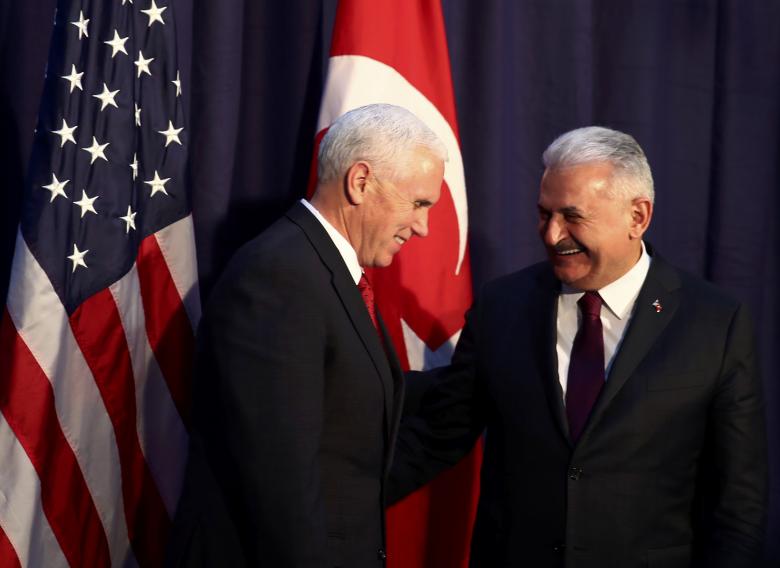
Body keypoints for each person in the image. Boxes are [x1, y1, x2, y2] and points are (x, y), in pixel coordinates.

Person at [389, 126, 767, 567]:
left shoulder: (713, 322)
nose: (552, 235)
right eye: (544, 214)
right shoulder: (502, 307)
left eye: (572, 216)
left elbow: (738, 500)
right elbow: (439, 435)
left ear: (638, 216)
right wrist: (323, 507)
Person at [168, 103, 446, 567]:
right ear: (360, 182)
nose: (422, 227)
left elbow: (343, 395)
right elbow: (281, 484)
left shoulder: (321, 268)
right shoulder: (280, 276)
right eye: (418, 203)